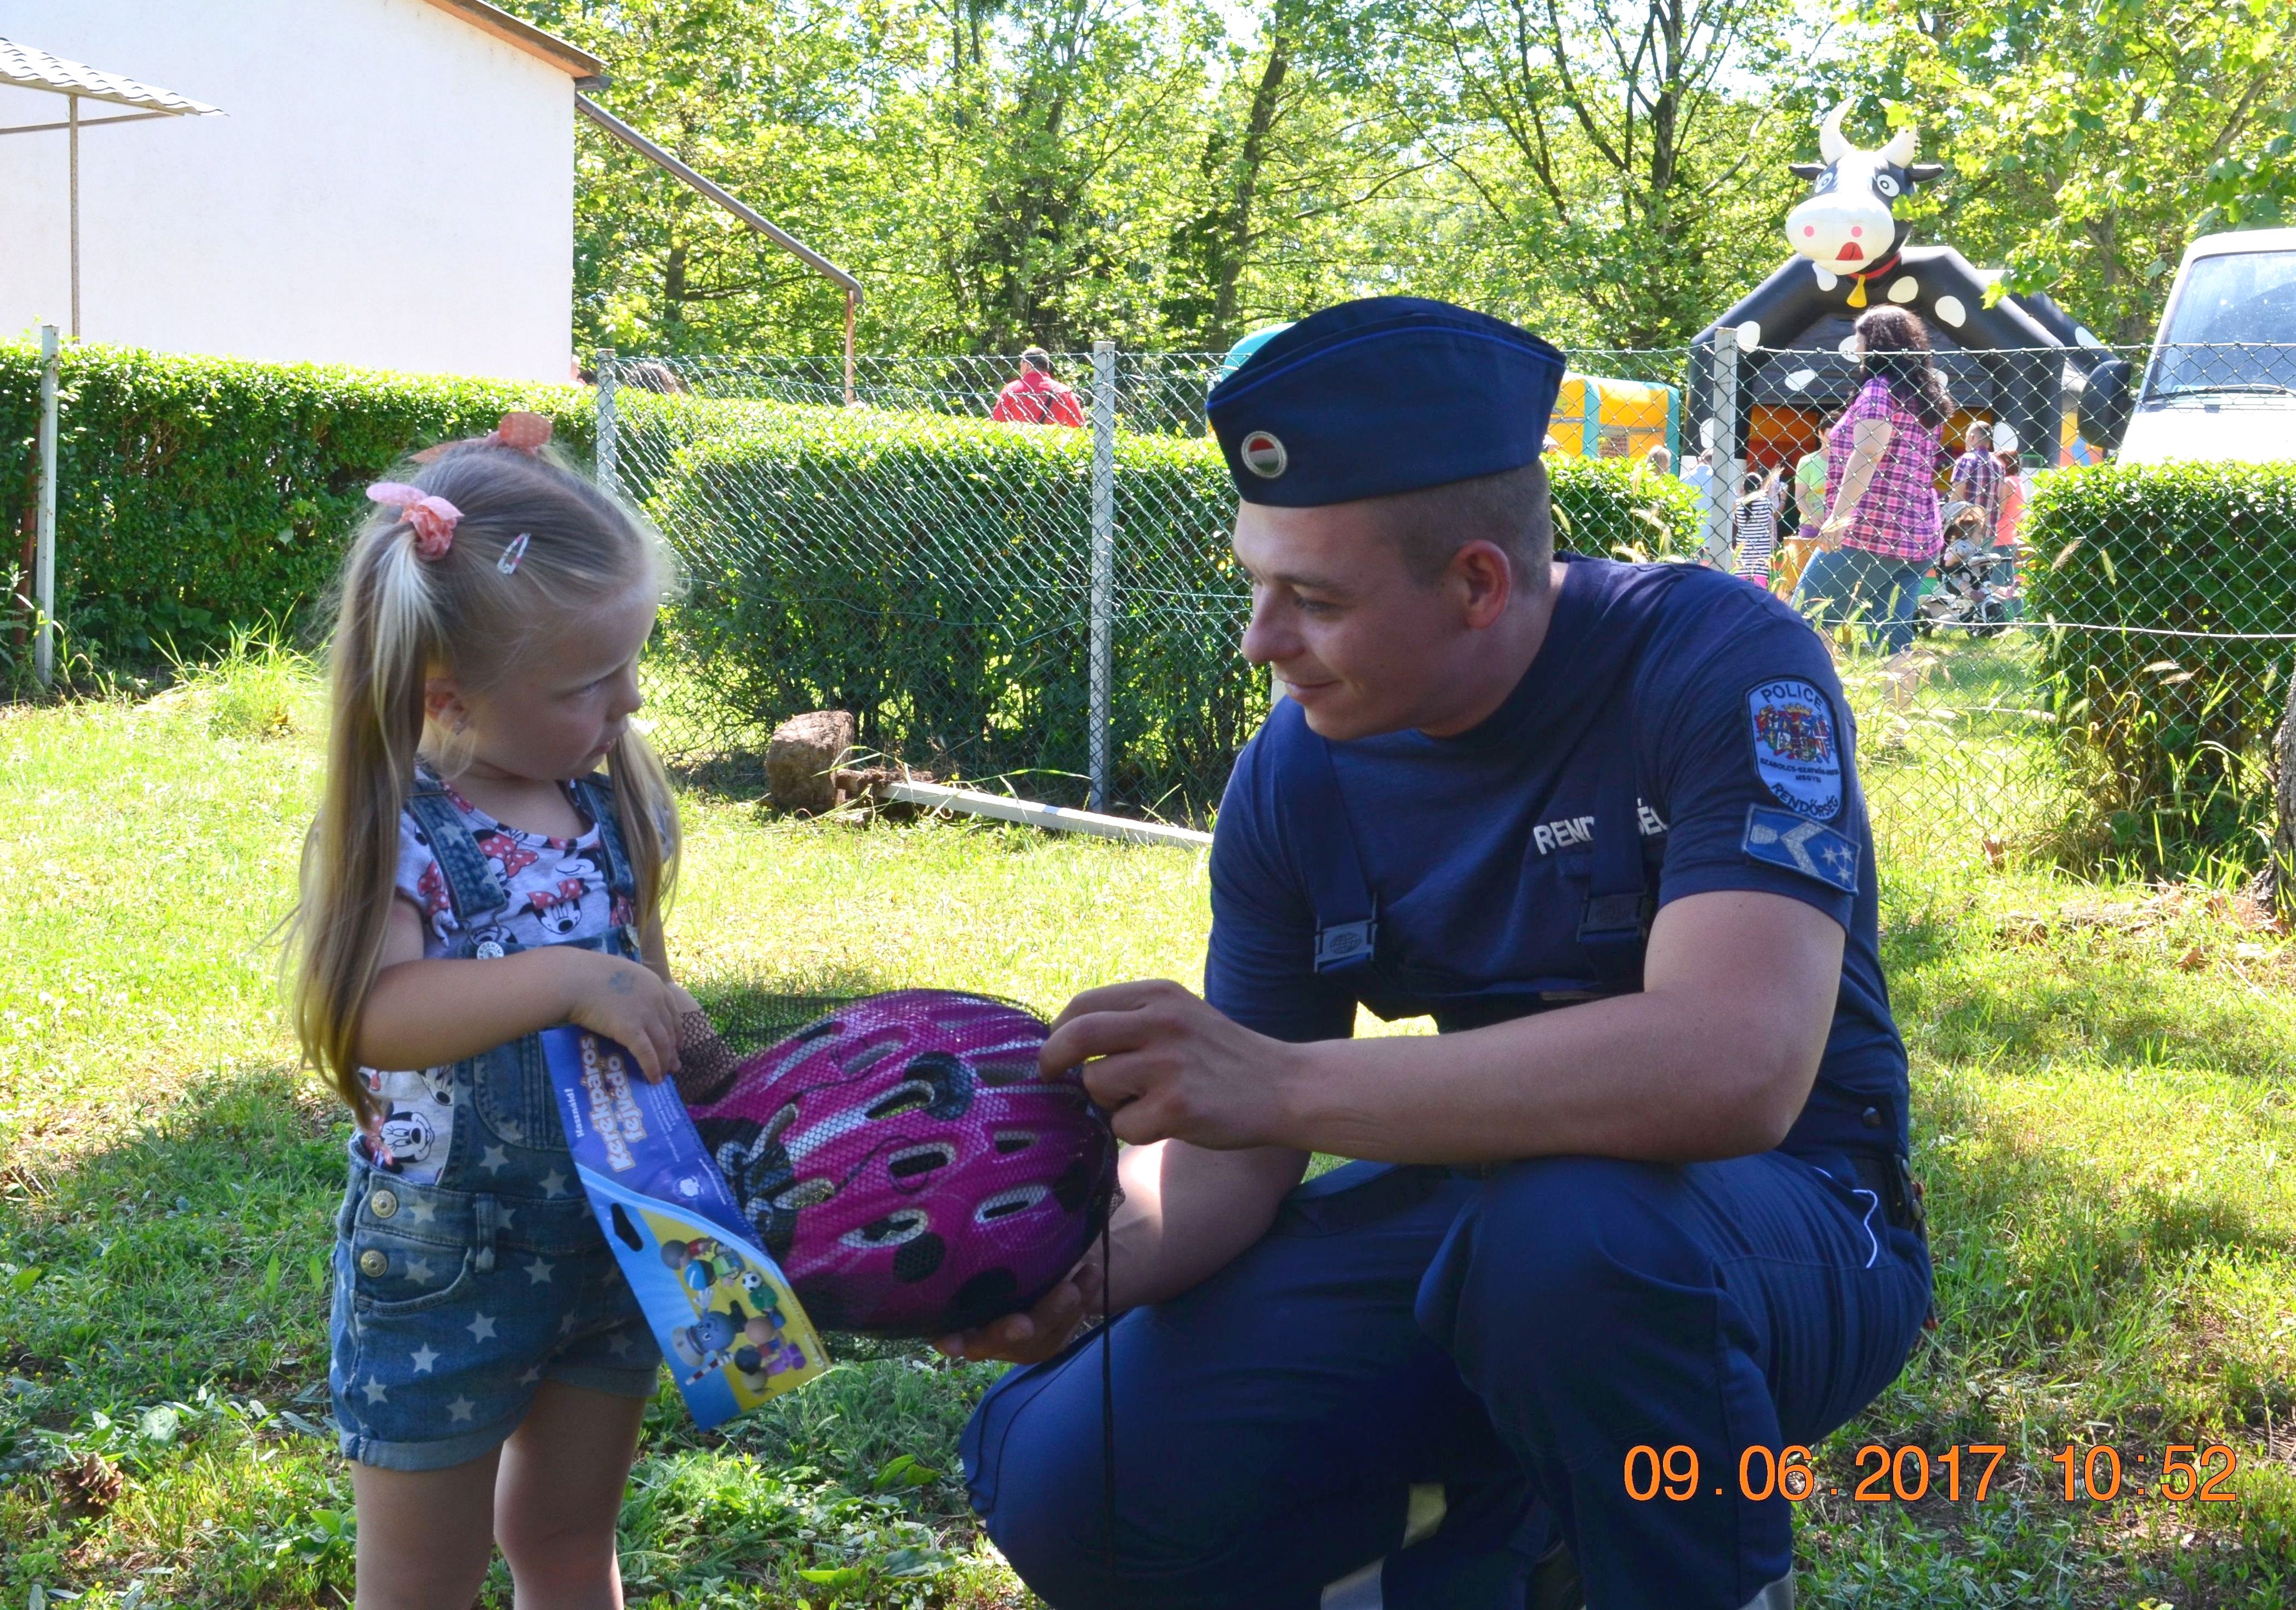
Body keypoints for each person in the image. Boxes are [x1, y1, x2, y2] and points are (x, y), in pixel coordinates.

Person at [945, 298, 1930, 1610]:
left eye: (1312, 599)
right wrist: (1080, 1271)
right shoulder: (1296, 773)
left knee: (1572, 1243)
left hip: (1794, 1216)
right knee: (1070, 1473)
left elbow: (1733, 1065)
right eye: (1255, 583)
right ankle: (1519, 1541)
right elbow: (1232, 1157)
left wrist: (1277, 1082)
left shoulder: (1715, 661)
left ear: (1477, 582)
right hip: (1499, 1221)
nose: (1260, 639)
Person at [290, 412, 705, 1606]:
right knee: (422, 1580)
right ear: (451, 698)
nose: (629, 701)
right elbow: (374, 1011)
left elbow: (640, 989)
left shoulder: (607, 806)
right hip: (447, 1263)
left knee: (570, 1545)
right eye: (588, 683)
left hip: (611, 1239)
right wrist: (575, 980)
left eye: (631, 664)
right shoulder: (403, 829)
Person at [1793, 307, 1951, 656]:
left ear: (1877, 343)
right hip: (1918, 535)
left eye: (1860, 338)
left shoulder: (1879, 392)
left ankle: (1813, 692)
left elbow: (1868, 453)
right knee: (1893, 644)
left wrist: (1838, 518)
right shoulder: (1926, 399)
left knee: (1804, 623)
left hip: (1868, 533)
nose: (1856, 347)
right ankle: (1899, 696)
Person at [990, 346, 1087, 428]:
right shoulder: (1064, 391)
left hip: (1019, 441)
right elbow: (1079, 425)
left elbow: (997, 423)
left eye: (1021, 365)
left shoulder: (1011, 390)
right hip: (1054, 442)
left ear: (1027, 365)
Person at [1948, 420, 2002, 535]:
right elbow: (2001, 497)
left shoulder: (1967, 459)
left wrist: (1948, 519)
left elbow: (1957, 493)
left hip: (1966, 529)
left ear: (1972, 437)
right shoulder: (1998, 464)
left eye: (1966, 436)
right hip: (1989, 530)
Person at [1731, 468, 1781, 588]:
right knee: (1760, 582)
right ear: (1760, 486)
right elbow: (1773, 518)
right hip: (1761, 548)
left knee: (1741, 581)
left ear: (1744, 487)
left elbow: (1736, 524)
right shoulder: (1766, 503)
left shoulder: (1738, 503)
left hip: (1743, 547)